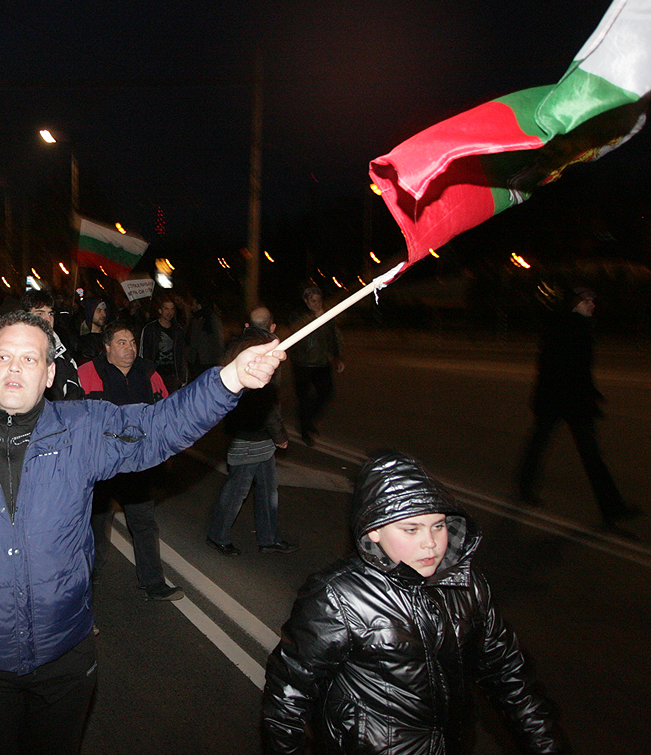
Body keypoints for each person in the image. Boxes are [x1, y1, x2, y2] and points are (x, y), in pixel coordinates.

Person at [0, 310, 283, 754]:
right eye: (5, 356)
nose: (15, 367)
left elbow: (158, 427)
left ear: (49, 374)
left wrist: (227, 381)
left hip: (63, 658)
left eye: (30, 359)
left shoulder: (82, 429)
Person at [262, 451, 566, 755]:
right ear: (374, 530)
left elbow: (511, 678)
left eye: (438, 525)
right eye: (412, 529)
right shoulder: (338, 596)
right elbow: (289, 694)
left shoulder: (468, 585)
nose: (430, 542)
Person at [517, 287, 640, 531]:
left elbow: (579, 369)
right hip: (561, 400)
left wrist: (591, 393)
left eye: (593, 301)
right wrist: (583, 396)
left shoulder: (580, 327)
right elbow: (558, 367)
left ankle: (612, 507)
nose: (592, 305)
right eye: (586, 301)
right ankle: (526, 489)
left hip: (568, 400)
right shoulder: (568, 328)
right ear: (574, 304)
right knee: (553, 448)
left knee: (582, 454)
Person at [79, 322, 181, 601]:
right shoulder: (88, 373)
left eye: (133, 342)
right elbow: (74, 416)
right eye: (122, 342)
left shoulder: (149, 373)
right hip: (101, 464)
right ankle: (86, 582)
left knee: (144, 522)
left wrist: (166, 450)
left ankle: (153, 582)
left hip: (138, 463)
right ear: (108, 347)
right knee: (96, 526)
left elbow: (165, 413)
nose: (130, 348)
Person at [206, 319, 295, 556]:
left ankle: (268, 538)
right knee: (237, 491)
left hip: (246, 431)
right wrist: (279, 435)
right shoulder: (265, 354)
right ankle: (218, 535)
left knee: (267, 490)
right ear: (273, 327)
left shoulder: (236, 347)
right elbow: (268, 401)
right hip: (252, 434)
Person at [289, 286, 343, 446]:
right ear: (306, 301)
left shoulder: (326, 315)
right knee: (304, 399)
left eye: (319, 300)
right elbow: (299, 332)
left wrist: (337, 357)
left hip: (322, 363)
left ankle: (309, 421)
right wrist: (315, 316)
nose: (317, 304)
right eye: (313, 301)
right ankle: (305, 430)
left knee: (327, 394)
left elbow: (334, 336)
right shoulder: (297, 315)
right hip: (303, 364)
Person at [139, 295, 187, 392]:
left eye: (172, 309)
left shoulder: (178, 330)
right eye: (166, 309)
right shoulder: (150, 329)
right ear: (160, 311)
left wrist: (182, 377)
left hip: (172, 375)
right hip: (155, 374)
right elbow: (144, 353)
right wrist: (146, 374)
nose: (169, 312)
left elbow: (181, 354)